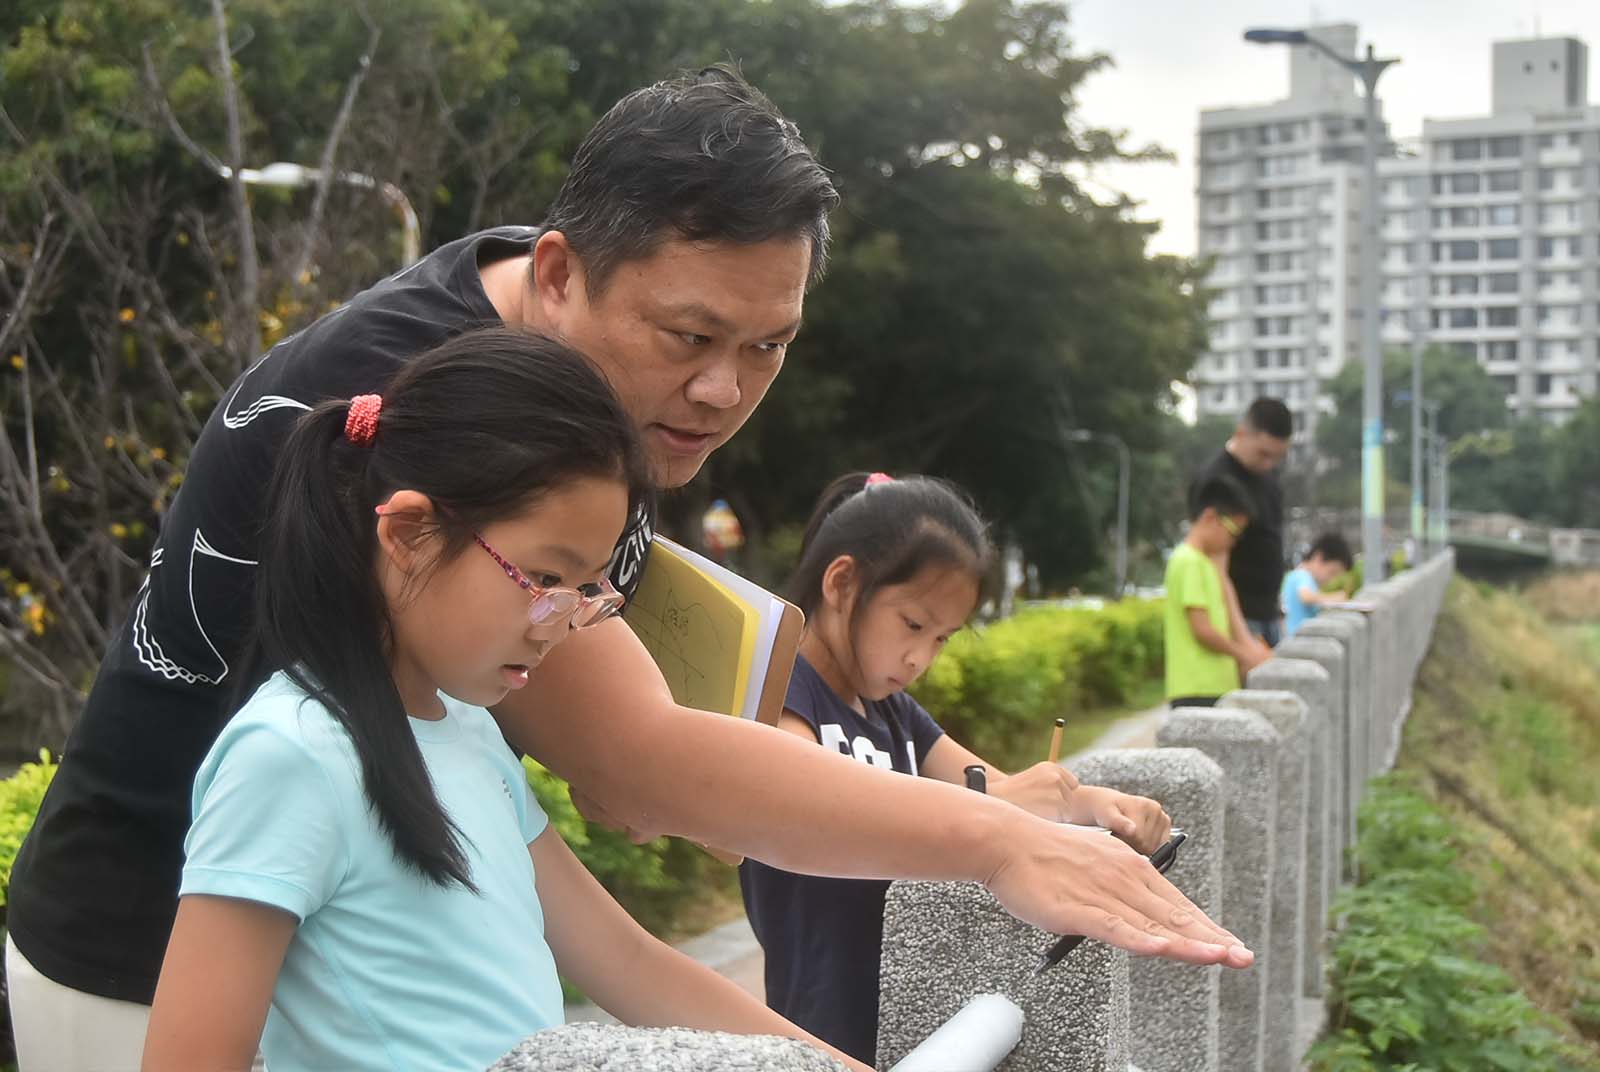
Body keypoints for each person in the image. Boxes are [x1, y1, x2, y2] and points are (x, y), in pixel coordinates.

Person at [8, 66, 1250, 1070]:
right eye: (691, 337)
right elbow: (640, 762)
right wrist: (987, 839)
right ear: (558, 272)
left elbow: (655, 816)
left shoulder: (560, 380)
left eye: (768, 346)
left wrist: (976, 791)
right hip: (154, 956)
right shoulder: (432, 419)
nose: (722, 391)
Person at [139, 329, 870, 1072]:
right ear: (410, 532)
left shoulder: (465, 731)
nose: (561, 623)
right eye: (544, 578)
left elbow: (628, 961)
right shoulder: (290, 755)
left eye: (586, 589)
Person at [739, 473, 1173, 1063]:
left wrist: (1090, 805)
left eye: (942, 638)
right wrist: (999, 809)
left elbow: (986, 785)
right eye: (913, 625)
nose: (921, 658)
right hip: (821, 1023)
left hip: (917, 1014)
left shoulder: (893, 712)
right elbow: (808, 800)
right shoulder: (783, 695)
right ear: (842, 583)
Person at [1189, 398, 1293, 646]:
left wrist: (1277, 612)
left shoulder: (1268, 477)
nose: (1269, 464)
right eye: (1263, 454)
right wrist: (1243, 640)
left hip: (1268, 612)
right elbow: (1215, 563)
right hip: (1238, 617)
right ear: (1241, 433)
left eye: (1277, 457)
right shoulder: (1216, 480)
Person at [1165, 475, 1265, 708]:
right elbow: (1202, 629)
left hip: (1213, 686)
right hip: (1197, 687)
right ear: (1210, 517)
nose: (1233, 543)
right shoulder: (1189, 561)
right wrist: (1244, 654)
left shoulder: (1205, 563)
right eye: (1233, 532)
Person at [1280, 532, 1353, 639]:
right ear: (1319, 557)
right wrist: (1335, 598)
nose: (1332, 580)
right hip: (1297, 640)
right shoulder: (1302, 576)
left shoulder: (1305, 578)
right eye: (1332, 572)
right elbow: (1305, 596)